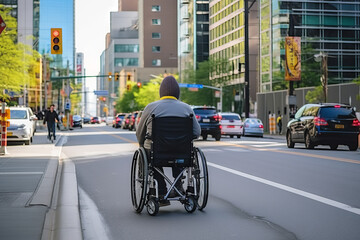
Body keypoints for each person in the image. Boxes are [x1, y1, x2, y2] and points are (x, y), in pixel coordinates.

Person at [136, 76, 201, 204]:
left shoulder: (151, 108)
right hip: (182, 152)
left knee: (152, 155)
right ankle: (178, 186)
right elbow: (197, 132)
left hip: (157, 152)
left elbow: (139, 133)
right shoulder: (187, 108)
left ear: (161, 92)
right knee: (178, 151)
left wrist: (141, 144)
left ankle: (161, 191)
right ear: (178, 92)